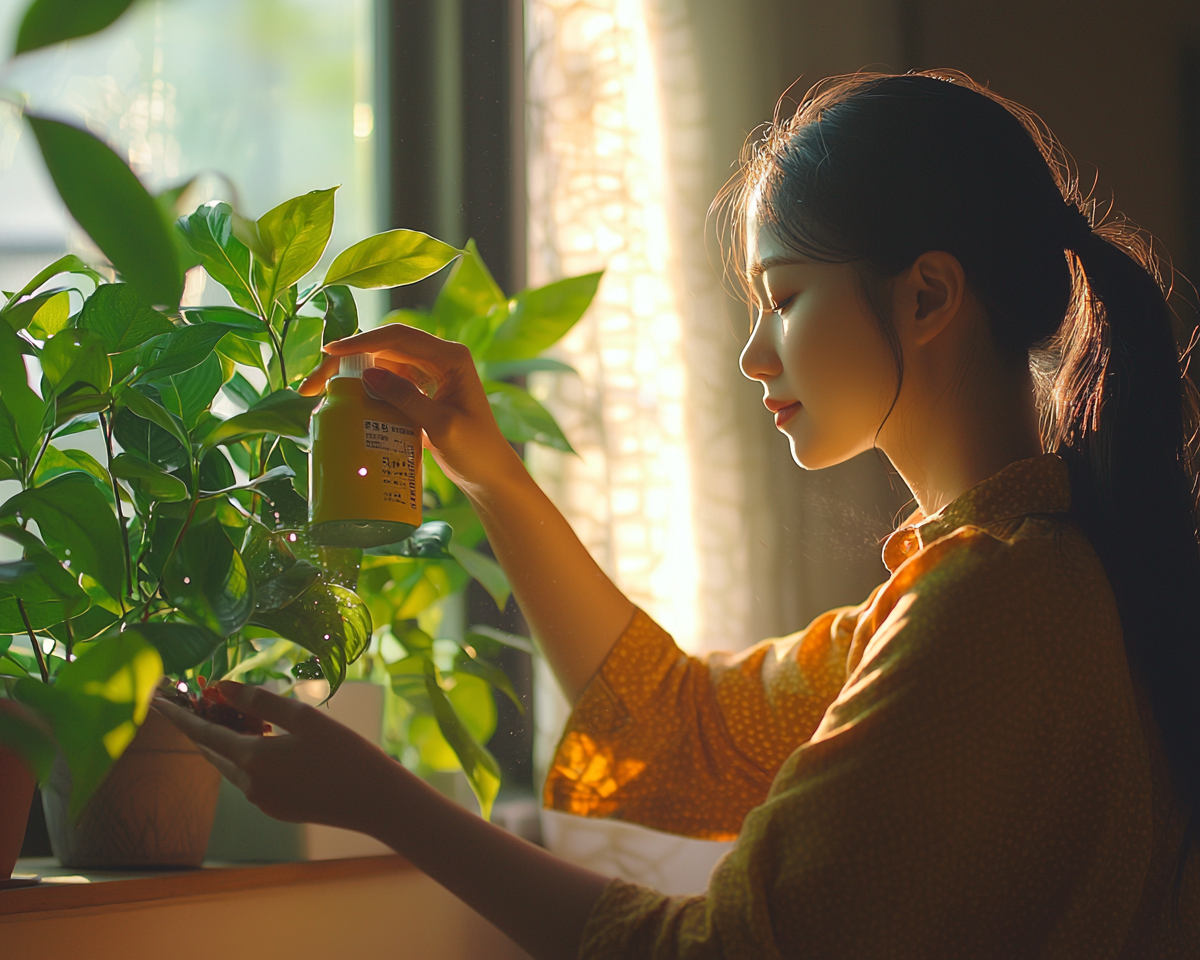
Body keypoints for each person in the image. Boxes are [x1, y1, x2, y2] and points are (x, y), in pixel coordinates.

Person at [156, 71, 1200, 958]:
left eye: (783, 298)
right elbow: (679, 730)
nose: (754, 353)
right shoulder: (1006, 578)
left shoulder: (987, 612)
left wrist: (383, 802)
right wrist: (490, 471)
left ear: (926, 297)